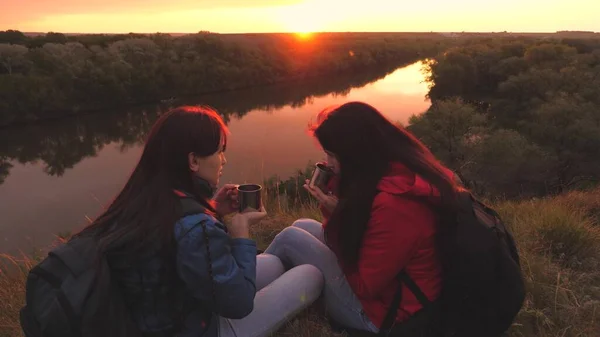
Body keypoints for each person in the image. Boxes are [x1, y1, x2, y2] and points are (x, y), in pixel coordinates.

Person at [75, 106, 324, 337]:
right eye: (219, 152)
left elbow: (179, 247)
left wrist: (212, 209)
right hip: (199, 328)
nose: (223, 161)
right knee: (310, 275)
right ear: (193, 161)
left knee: (274, 263)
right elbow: (239, 304)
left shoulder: (143, 200)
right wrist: (241, 235)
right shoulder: (195, 226)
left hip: (160, 314)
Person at [264, 101, 462, 335]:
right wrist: (338, 206)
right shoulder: (396, 168)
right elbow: (365, 240)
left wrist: (339, 217)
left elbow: (364, 285)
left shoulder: (398, 205)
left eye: (332, 156)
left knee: (290, 238)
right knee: (302, 225)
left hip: (382, 316)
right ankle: (272, 284)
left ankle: (247, 300)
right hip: (391, 291)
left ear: (356, 154)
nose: (328, 164)